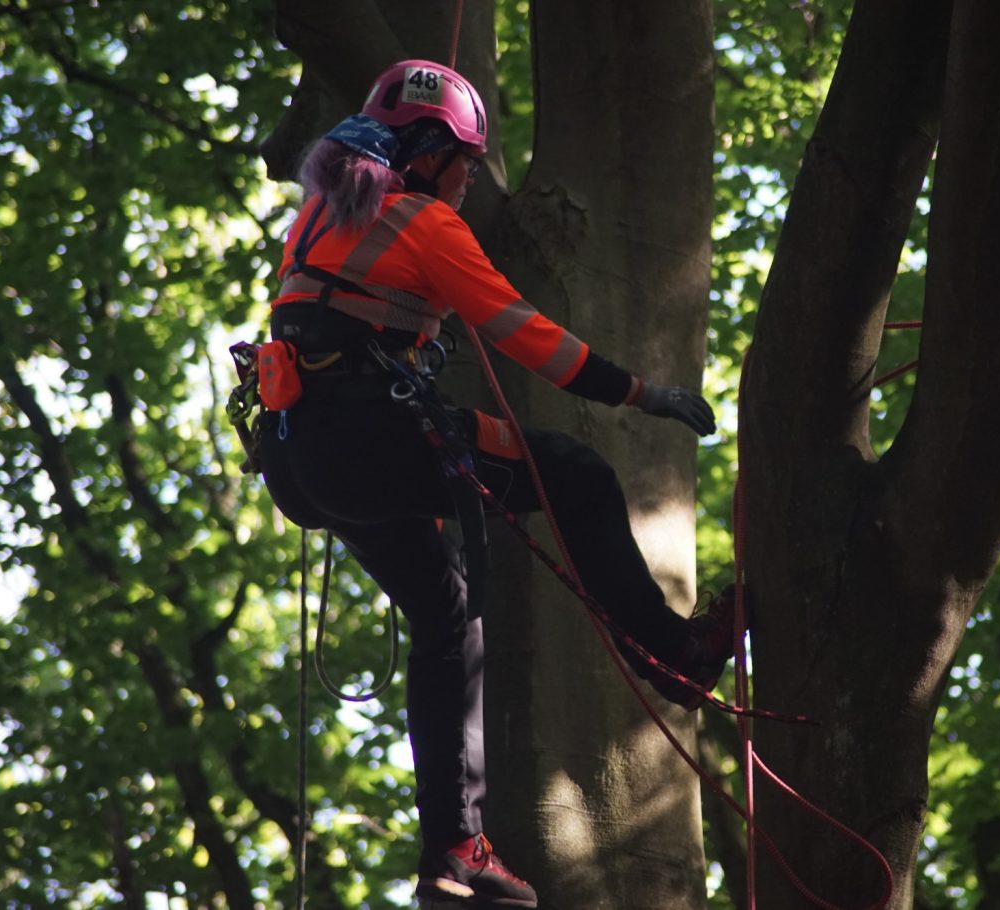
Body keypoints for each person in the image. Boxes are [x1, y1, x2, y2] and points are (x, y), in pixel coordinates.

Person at [256, 60, 737, 908]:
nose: (472, 174)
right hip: (370, 442)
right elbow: (527, 336)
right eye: (466, 158)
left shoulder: (316, 218)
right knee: (579, 473)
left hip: (303, 458)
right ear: (430, 148)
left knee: (448, 617)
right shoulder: (424, 224)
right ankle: (676, 651)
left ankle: (454, 854)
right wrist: (639, 393)